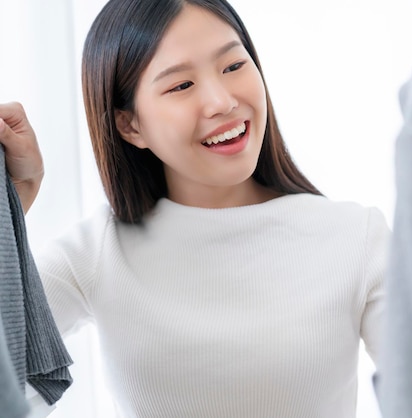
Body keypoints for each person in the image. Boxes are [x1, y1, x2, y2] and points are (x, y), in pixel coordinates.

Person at [0, 0, 390, 417]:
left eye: (234, 66)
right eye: (181, 85)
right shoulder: (97, 251)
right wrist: (12, 206)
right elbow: (12, 394)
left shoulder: (356, 237)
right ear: (130, 125)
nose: (222, 102)